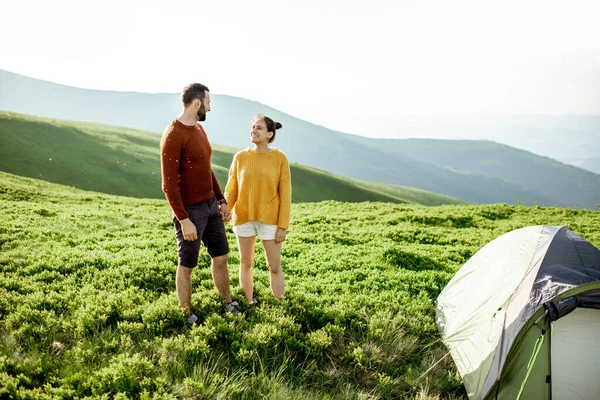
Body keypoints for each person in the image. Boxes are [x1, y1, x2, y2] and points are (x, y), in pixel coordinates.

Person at [160, 82, 240, 324]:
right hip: (191, 213)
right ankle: (187, 315)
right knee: (187, 265)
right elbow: (169, 185)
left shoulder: (198, 130)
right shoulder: (173, 136)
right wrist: (184, 220)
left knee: (221, 256)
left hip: (210, 207)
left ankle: (228, 303)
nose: (209, 108)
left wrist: (221, 200)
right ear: (197, 104)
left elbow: (206, 169)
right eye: (208, 103)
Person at [224, 114, 292, 305]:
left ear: (270, 134)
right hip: (243, 217)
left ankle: (280, 305)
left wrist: (282, 226)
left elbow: (285, 195)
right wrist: (226, 210)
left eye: (259, 128)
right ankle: (249, 302)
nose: (253, 130)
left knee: (274, 266)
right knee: (245, 263)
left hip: (270, 220)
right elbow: (232, 188)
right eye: (253, 127)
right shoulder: (241, 157)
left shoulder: (280, 158)